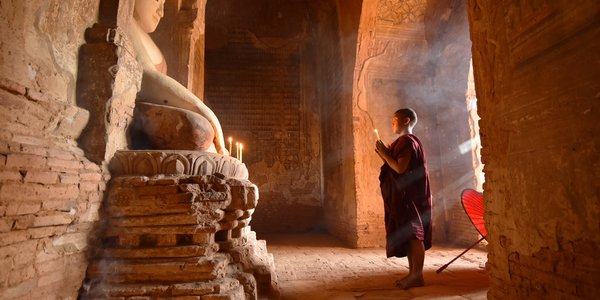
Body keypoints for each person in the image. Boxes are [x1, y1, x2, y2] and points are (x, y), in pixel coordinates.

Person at [128, 0, 228, 154]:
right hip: (136, 115)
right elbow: (147, 78)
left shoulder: (148, 39)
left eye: (164, 3)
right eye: (157, 1)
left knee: (202, 132)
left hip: (157, 112)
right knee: (198, 129)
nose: (161, 12)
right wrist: (208, 115)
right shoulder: (127, 24)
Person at [375, 108, 432, 289]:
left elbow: (400, 169)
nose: (392, 123)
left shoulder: (407, 141)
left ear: (406, 120)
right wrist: (385, 153)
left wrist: (385, 154)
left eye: (394, 120)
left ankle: (417, 275)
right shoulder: (405, 142)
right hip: (407, 195)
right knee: (409, 234)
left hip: (410, 196)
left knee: (414, 235)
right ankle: (412, 273)